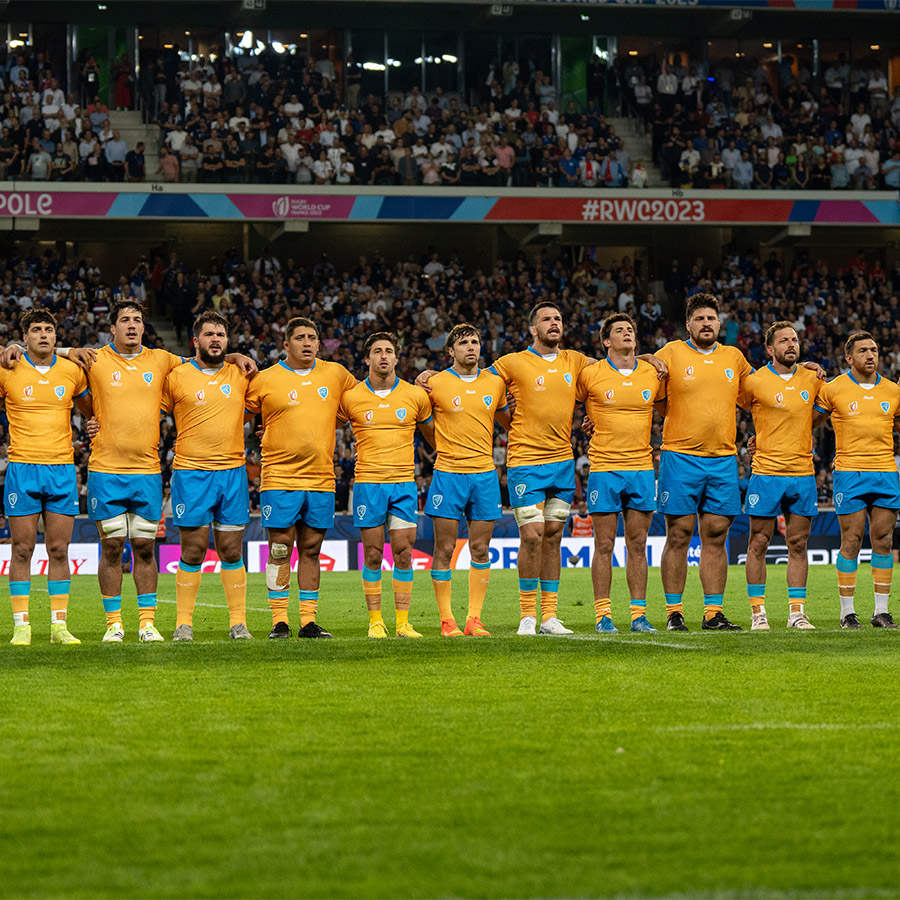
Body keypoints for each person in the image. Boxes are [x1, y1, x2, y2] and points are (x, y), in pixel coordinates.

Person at [421, 302, 595, 636]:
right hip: (523, 462)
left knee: (553, 537)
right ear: (533, 329)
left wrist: (646, 359)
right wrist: (428, 373)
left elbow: (610, 369)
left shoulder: (575, 359)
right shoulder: (507, 365)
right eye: (546, 319)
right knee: (532, 535)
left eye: (558, 318)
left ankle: (549, 617)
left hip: (562, 462)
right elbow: (473, 387)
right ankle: (527, 615)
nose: (554, 323)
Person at [244, 317, 356, 639]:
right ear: (286, 344)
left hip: (321, 478)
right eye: (300, 338)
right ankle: (280, 621)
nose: (307, 343)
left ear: (319, 344)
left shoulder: (336, 374)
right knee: (280, 548)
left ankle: (308, 622)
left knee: (311, 549)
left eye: (312, 337)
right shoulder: (266, 379)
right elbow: (241, 415)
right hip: (279, 477)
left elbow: (361, 403)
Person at [653, 293, 753, 631]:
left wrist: (804, 372)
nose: (706, 323)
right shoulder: (670, 353)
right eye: (700, 319)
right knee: (679, 533)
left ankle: (713, 613)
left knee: (716, 534)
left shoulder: (734, 358)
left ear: (720, 323)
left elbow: (760, 393)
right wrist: (642, 356)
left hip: (723, 458)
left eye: (711, 318)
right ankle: (674, 612)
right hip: (680, 456)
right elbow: (637, 380)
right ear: (688, 325)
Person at [161, 311, 253, 641]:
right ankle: (183, 623)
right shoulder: (177, 376)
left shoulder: (242, 374)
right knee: (193, 551)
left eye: (221, 335)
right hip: (191, 473)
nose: (215, 339)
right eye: (209, 334)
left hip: (232, 472)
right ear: (195, 341)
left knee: (231, 550)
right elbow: (147, 408)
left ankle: (238, 623)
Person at [2, 310, 91, 645]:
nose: (43, 334)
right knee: (22, 548)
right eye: (35, 329)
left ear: (57, 336)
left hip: (61, 469)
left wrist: (93, 424)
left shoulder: (71, 371)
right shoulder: (8, 368)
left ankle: (58, 627)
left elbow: (90, 410)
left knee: (58, 549)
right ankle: (22, 626)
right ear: (24, 337)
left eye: (49, 329)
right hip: (23, 468)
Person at [339, 332, 433, 638]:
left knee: (404, 552)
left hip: (404, 483)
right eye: (376, 351)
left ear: (396, 358)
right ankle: (375, 622)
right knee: (373, 554)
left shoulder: (415, 396)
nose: (383, 356)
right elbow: (323, 425)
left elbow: (434, 434)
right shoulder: (351, 396)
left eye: (388, 351)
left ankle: (404, 623)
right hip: (368, 483)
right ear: (366, 359)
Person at [577, 314, 663, 633]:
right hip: (604, 468)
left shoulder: (652, 372)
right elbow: (563, 402)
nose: (627, 333)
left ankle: (638, 615)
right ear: (606, 342)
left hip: (641, 468)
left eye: (631, 330)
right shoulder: (591, 374)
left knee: (638, 544)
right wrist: (585, 423)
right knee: (604, 545)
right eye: (619, 331)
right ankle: (603, 616)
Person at [423, 324, 510, 637]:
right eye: (463, 343)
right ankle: (447, 621)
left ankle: (474, 619)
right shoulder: (436, 383)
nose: (471, 347)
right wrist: (440, 446)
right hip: (448, 474)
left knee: (480, 549)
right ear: (451, 351)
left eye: (475, 342)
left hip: (485, 474)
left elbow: (509, 422)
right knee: (444, 549)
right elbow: (421, 421)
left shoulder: (494, 383)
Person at [813, 332, 900, 629]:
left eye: (874, 350)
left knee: (884, 541)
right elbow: (807, 422)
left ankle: (881, 612)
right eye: (863, 350)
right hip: (850, 472)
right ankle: (847, 613)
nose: (870, 355)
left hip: (886, 471)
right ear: (849, 358)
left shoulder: (892, 391)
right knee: (850, 540)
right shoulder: (833, 388)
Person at [740, 322, 822, 631]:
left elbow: (823, 411)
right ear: (771, 349)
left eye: (795, 339)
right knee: (758, 541)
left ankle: (796, 613)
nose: (792, 344)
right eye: (784, 340)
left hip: (802, 472)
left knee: (798, 543)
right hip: (766, 472)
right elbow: (728, 406)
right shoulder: (755, 381)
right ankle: (758, 613)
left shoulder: (813, 379)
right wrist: (756, 437)